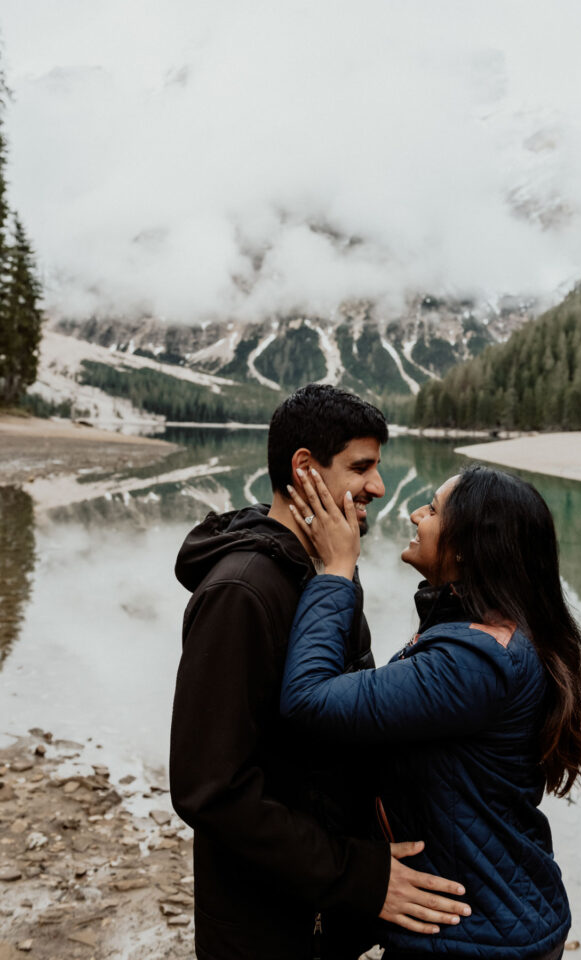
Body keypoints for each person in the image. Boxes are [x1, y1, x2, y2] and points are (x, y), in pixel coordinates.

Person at [169, 384, 470, 960]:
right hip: (268, 926)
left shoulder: (327, 569)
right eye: (362, 467)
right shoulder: (242, 592)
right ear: (304, 467)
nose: (379, 488)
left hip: (325, 912)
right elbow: (209, 790)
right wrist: (358, 877)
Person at [281, 464, 581, 959]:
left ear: (466, 548)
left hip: (477, 937)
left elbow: (309, 700)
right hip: (489, 920)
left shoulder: (474, 662)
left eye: (433, 509)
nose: (416, 515)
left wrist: (335, 571)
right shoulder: (488, 632)